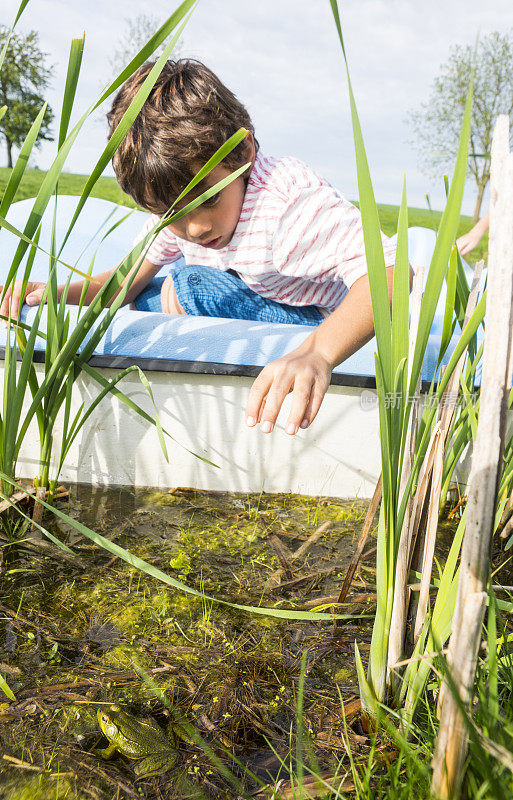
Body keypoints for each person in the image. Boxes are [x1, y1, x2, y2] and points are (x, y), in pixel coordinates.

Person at [1, 59, 398, 437]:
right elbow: (121, 285)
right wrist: (50, 295)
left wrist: (318, 352)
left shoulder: (286, 209)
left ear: (242, 154)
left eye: (207, 200)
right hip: (262, 292)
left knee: (189, 284)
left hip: (327, 319)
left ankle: (184, 302)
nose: (194, 227)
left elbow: (393, 275)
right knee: (157, 289)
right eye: (171, 213)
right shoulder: (179, 209)